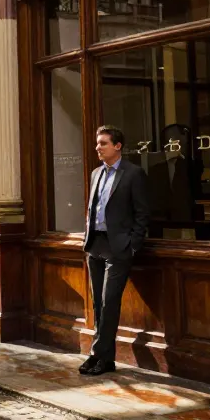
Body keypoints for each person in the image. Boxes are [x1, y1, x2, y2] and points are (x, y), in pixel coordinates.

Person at [80, 125, 151, 377]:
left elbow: (142, 213)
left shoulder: (133, 174)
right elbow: (92, 208)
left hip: (118, 247)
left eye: (103, 143)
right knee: (98, 304)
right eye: (97, 143)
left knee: (110, 302)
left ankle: (96, 353)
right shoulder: (95, 173)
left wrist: (133, 245)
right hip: (95, 245)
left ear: (117, 146)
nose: (97, 148)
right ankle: (105, 359)